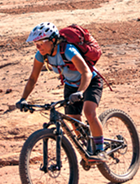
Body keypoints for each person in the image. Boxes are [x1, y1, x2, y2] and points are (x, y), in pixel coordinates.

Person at [16, 22, 106, 162]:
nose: (38, 47)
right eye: (35, 44)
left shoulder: (68, 50)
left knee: (89, 112)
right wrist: (23, 99)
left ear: (52, 40)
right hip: (71, 85)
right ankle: (88, 148)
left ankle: (101, 150)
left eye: (41, 42)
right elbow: (33, 78)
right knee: (72, 117)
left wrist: (81, 91)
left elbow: (86, 73)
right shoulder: (41, 55)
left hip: (90, 82)